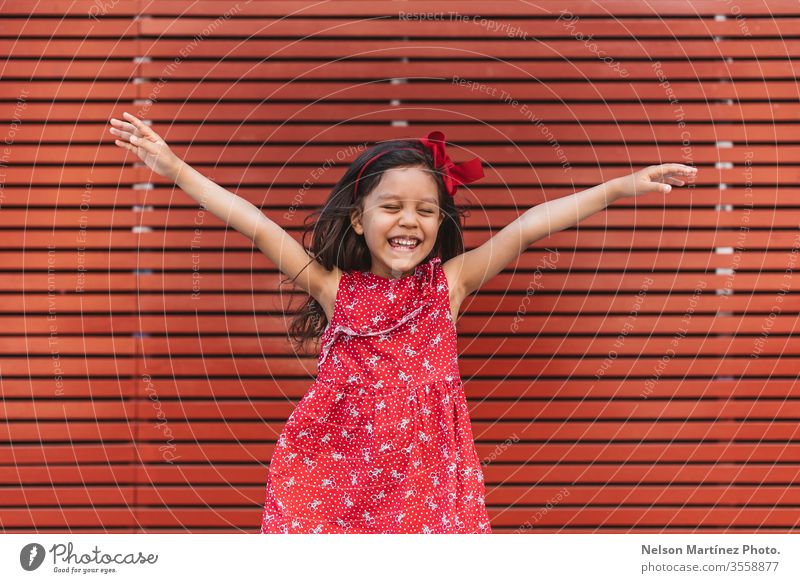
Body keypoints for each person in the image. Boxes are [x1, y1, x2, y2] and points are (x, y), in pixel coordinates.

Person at [109, 112, 697, 533]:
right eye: (390, 207)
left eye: (424, 209)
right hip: (331, 473)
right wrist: (175, 168)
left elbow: (529, 227)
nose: (408, 220)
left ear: (440, 224)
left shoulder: (452, 284)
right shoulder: (334, 287)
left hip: (428, 479)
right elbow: (256, 225)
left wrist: (621, 186)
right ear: (360, 220)